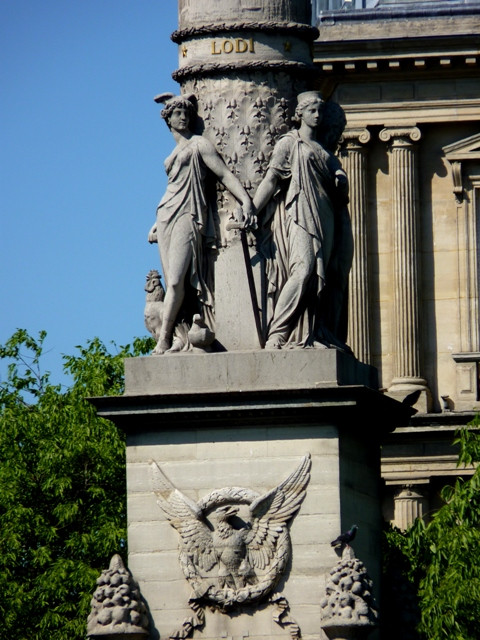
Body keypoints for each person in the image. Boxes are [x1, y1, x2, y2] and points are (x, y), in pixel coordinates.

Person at [148, 93, 255, 354]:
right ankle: (178, 335)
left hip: (189, 214)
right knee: (176, 281)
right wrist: (155, 222)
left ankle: (164, 337)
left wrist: (246, 201)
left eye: (186, 112)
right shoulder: (174, 151)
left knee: (175, 281)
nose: (183, 117)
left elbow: (223, 173)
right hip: (166, 215)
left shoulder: (199, 144)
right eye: (177, 113)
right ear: (168, 120)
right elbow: (171, 187)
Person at [253, 91, 352, 350]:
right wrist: (251, 208)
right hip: (299, 214)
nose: (317, 116)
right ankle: (278, 332)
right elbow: (272, 180)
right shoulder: (289, 143)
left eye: (320, 111)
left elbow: (338, 179)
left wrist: (341, 178)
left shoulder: (323, 151)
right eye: (312, 111)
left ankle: (315, 332)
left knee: (322, 277)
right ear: (300, 114)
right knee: (304, 270)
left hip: (324, 215)